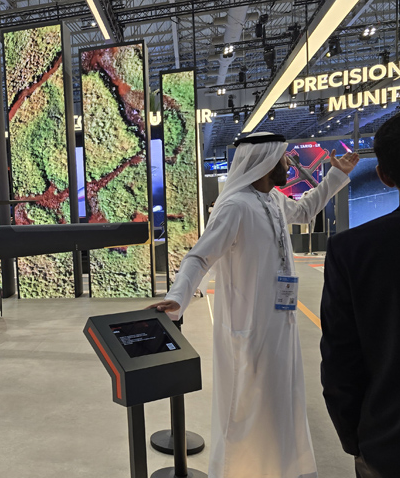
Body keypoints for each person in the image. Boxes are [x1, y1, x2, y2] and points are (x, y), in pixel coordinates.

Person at [150, 131, 359, 478]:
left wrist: (336, 175)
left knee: (279, 401)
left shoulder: (273, 199)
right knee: (246, 406)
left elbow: (304, 211)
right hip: (247, 327)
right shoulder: (235, 206)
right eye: (283, 157)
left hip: (282, 324)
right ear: (265, 161)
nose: (288, 163)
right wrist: (178, 297)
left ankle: (278, 467)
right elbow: (200, 257)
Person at [320, 108, 400, 478]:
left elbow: (341, 362)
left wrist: (356, 440)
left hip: (393, 444)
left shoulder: (352, 250)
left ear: (384, 176)